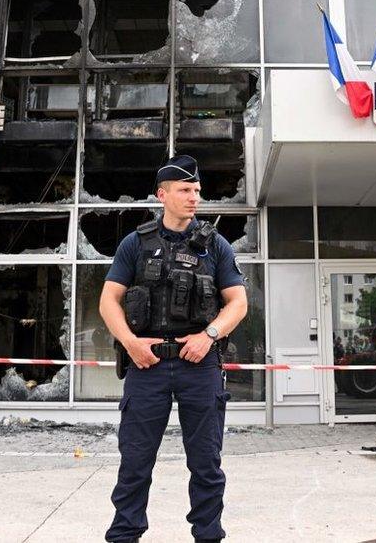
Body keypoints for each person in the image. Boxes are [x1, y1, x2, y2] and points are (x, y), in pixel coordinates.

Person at [99, 154, 249, 543]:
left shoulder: (215, 246)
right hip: (145, 365)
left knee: (206, 464)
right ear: (161, 195)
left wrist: (209, 335)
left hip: (198, 365)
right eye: (185, 190)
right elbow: (108, 301)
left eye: (197, 190)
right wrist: (130, 343)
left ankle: (208, 536)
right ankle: (124, 536)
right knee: (134, 462)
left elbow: (238, 302)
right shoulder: (135, 243)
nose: (194, 197)